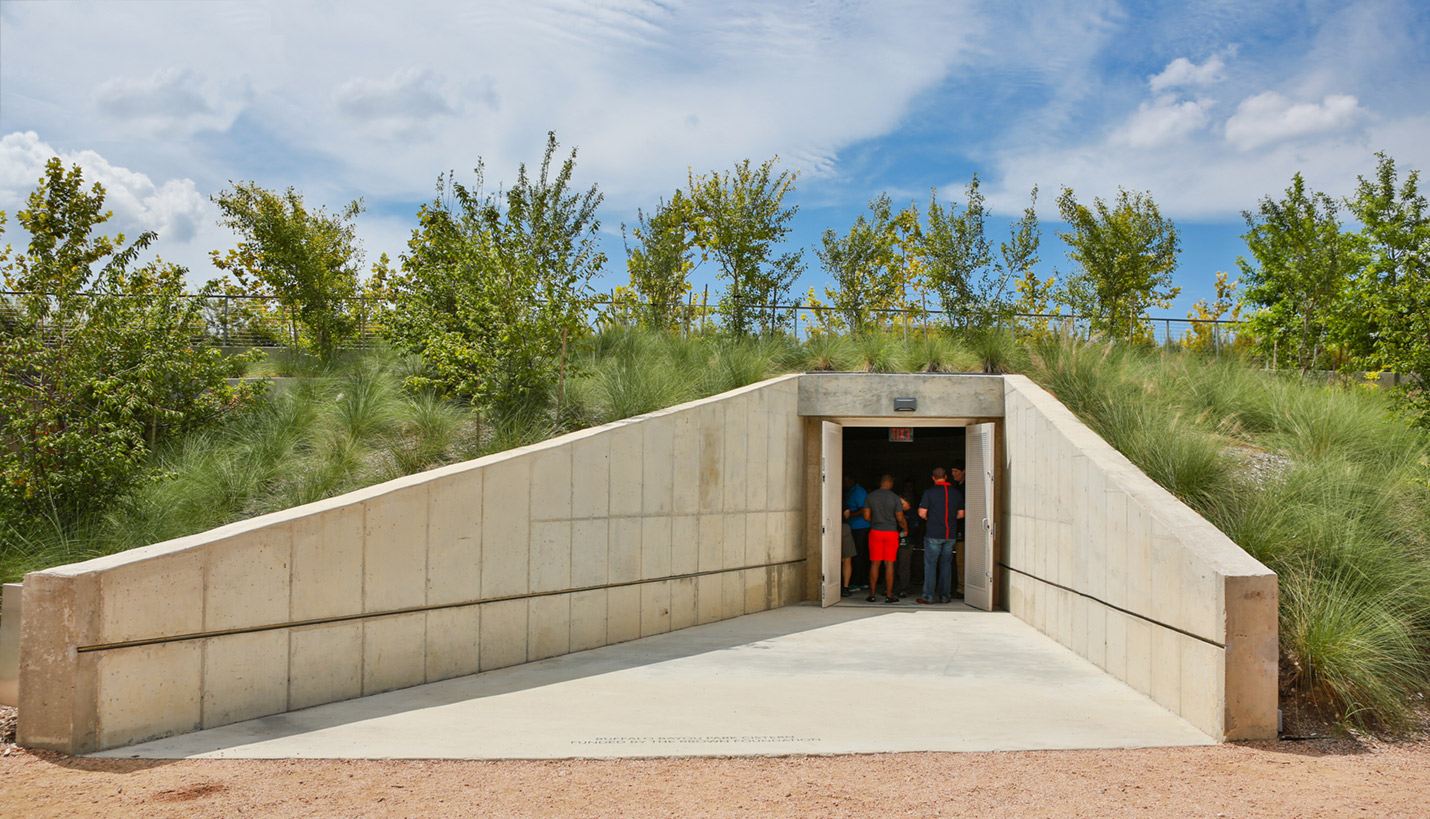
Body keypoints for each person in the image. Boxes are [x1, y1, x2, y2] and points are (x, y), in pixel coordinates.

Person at [917, 466, 964, 604]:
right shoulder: (956, 493)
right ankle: (945, 596)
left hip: (933, 533)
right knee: (946, 565)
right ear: (946, 477)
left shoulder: (929, 492)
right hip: (950, 534)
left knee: (931, 565)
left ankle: (928, 596)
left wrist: (930, 518)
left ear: (933, 478)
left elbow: (921, 513)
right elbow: (961, 514)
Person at [862, 474, 906, 603]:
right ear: (890, 483)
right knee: (889, 564)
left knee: (875, 563)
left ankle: (872, 594)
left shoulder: (870, 496)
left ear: (880, 483)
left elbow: (866, 516)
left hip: (876, 531)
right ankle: (889, 595)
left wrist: (876, 521)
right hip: (891, 532)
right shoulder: (895, 498)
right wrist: (905, 528)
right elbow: (900, 518)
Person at [843, 474, 870, 591]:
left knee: (858, 555)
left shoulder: (858, 491)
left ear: (851, 480)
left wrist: (847, 517)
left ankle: (859, 582)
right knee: (856, 555)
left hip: (860, 527)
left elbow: (863, 509)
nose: (844, 483)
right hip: (853, 527)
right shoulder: (850, 491)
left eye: (845, 481)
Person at [950, 460, 967, 599]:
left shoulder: (967, 488)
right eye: (952, 471)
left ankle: (962, 588)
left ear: (964, 471)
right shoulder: (957, 487)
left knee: (961, 560)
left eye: (956, 471)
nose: (953, 474)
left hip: (965, 528)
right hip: (956, 527)